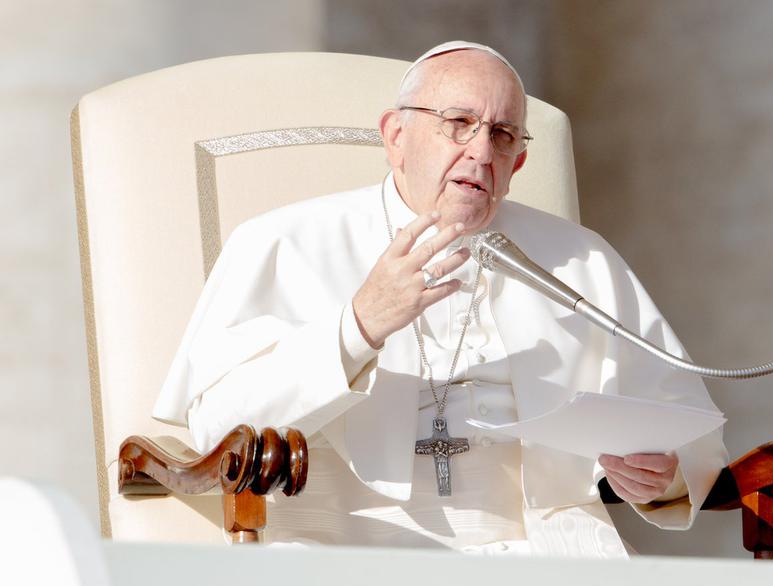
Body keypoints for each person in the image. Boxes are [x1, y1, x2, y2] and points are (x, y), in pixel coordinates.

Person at [153, 41, 728, 557]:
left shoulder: (581, 260)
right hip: (344, 553)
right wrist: (358, 327)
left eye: (503, 135)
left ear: (518, 164)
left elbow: (684, 423)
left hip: (547, 554)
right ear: (395, 136)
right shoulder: (284, 241)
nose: (481, 151)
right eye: (458, 123)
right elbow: (217, 430)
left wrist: (663, 479)